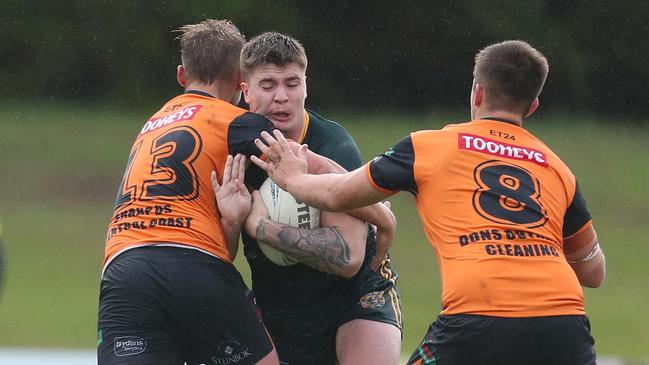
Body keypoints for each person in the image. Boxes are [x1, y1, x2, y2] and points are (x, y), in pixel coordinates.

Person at [251, 40, 606, 365]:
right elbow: (593, 272)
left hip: (476, 316)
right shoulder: (557, 168)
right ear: (533, 105)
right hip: (564, 323)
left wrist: (292, 177)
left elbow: (337, 193)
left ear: (478, 92)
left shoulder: (429, 146)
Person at [97, 19, 280, 365]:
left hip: (123, 269)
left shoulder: (151, 123)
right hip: (191, 262)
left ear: (182, 75)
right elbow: (299, 168)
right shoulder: (238, 121)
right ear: (242, 82)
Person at [236, 32, 402, 364]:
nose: (282, 97)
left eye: (292, 83)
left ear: (306, 86)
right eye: (268, 85)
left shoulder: (332, 144)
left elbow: (349, 257)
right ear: (245, 91)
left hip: (355, 296)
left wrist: (259, 226)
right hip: (280, 306)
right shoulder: (237, 143)